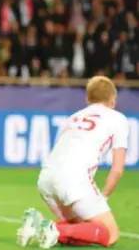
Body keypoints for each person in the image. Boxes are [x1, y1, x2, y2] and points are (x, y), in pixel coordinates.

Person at [16, 76, 129, 249]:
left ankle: (39, 225)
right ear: (113, 100)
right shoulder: (118, 118)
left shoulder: (73, 118)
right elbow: (117, 170)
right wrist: (102, 198)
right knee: (110, 234)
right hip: (73, 181)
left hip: (46, 179)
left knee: (82, 230)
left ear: (87, 98)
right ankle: (55, 230)